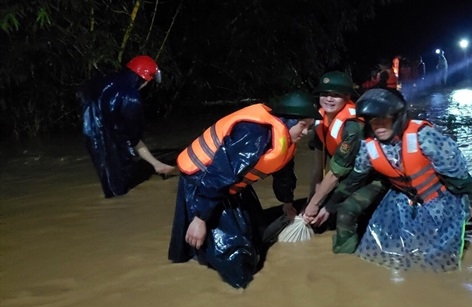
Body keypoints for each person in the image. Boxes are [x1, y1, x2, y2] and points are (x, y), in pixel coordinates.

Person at [167, 90, 321, 289]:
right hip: (204, 182)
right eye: (303, 125)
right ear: (287, 120)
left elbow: (284, 177)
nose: (305, 132)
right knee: (237, 254)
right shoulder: (255, 133)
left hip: (230, 183)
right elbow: (221, 174)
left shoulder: (285, 141)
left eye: (309, 126)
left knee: (256, 231)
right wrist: (200, 218)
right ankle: (239, 292)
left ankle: (205, 253)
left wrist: (287, 205)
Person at [327, 88, 472, 271]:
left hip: (440, 201)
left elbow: (459, 177)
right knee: (386, 254)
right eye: (373, 121)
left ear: (397, 118)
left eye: (384, 119)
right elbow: (354, 180)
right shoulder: (368, 146)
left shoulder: (425, 137)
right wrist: (328, 206)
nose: (378, 126)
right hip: (402, 201)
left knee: (437, 263)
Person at [301, 71, 388, 252]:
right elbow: (319, 165)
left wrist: (322, 205)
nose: (329, 99)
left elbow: (336, 174)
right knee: (319, 206)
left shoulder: (353, 126)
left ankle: (345, 256)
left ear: (347, 97)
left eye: (336, 95)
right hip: (345, 172)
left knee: (344, 212)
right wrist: (312, 197)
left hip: (372, 177)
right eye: (325, 94)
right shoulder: (320, 119)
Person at [80, 55, 176, 198]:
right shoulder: (131, 96)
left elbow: (82, 93)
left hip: (89, 131)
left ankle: (156, 165)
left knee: (106, 174)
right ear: (144, 79)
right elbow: (134, 137)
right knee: (118, 189)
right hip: (110, 139)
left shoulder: (105, 78)